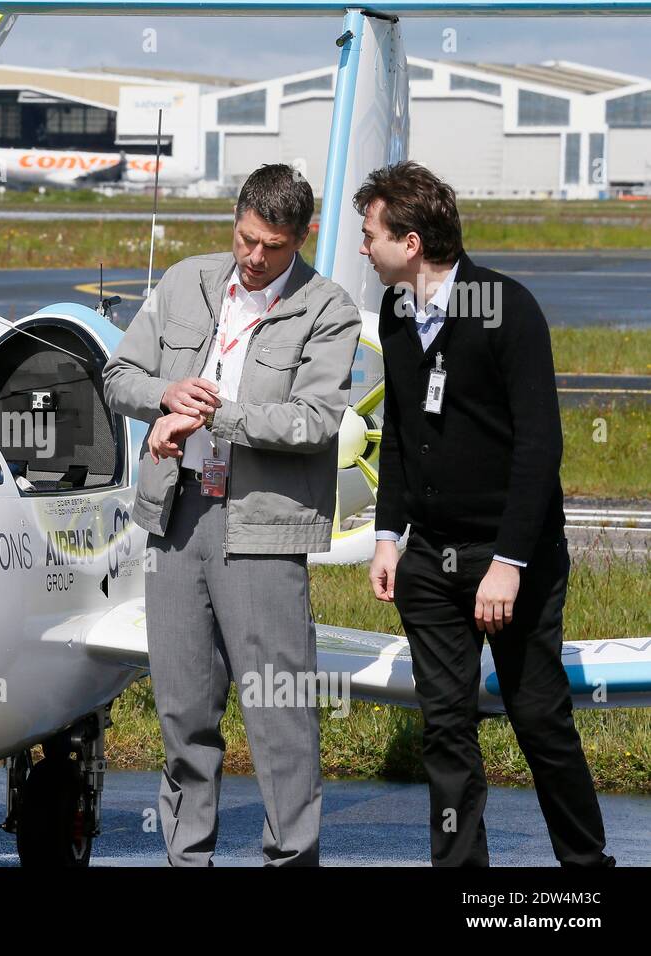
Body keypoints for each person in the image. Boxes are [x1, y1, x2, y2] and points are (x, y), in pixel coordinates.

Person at [355, 160, 613, 867]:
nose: (361, 247)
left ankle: (588, 870)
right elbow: (404, 432)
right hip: (430, 561)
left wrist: (507, 563)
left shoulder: (509, 308)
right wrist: (388, 534)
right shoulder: (396, 312)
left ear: (409, 243)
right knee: (445, 729)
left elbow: (541, 446)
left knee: (539, 721)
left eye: (369, 233)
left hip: (513, 559)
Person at [103, 163, 361, 866]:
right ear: (237, 221)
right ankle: (188, 857)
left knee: (279, 715)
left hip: (262, 526)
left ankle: (291, 858)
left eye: (272, 248)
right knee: (183, 709)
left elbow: (315, 420)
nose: (253, 258)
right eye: (246, 239)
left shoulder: (328, 307)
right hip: (176, 516)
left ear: (299, 238)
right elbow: (118, 375)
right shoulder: (185, 280)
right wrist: (166, 395)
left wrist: (218, 415)